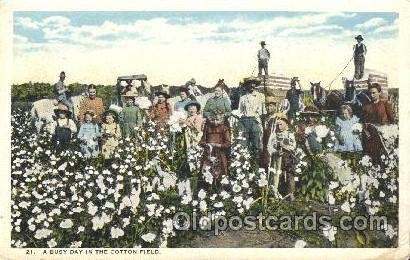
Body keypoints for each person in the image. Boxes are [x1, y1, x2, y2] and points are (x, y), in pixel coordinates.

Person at [362, 83, 394, 162]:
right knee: (372, 158)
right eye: (370, 93)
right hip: (370, 136)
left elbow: (392, 120)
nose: (372, 95)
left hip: (383, 135)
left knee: (384, 158)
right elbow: (363, 121)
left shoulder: (385, 104)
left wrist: (387, 132)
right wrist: (366, 132)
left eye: (374, 93)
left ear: (379, 92)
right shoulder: (366, 106)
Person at [267, 114, 297, 200]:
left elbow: (293, 146)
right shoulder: (274, 134)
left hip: (288, 157)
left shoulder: (289, 134)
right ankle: (275, 193)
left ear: (286, 125)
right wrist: (275, 152)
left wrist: (284, 146)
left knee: (290, 175)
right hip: (277, 158)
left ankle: (290, 193)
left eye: (281, 124)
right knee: (276, 174)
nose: (279, 126)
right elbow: (269, 146)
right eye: (277, 125)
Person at [199, 112, 231, 190]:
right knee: (207, 170)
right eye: (213, 120)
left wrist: (217, 145)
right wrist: (206, 144)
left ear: (222, 120)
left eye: (217, 120)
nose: (215, 122)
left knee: (220, 170)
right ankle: (208, 188)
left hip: (219, 153)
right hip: (208, 153)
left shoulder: (224, 128)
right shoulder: (208, 127)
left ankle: (220, 189)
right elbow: (202, 141)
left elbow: (228, 143)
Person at [238, 79, 265, 153]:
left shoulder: (261, 96)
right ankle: (246, 162)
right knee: (244, 142)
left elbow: (263, 112)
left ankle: (256, 161)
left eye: (253, 84)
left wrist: (262, 124)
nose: (251, 86)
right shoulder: (243, 98)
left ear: (255, 85)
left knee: (256, 143)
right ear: (247, 86)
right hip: (245, 121)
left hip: (255, 121)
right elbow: (240, 111)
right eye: (249, 84)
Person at [261, 96, 281, 168]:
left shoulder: (278, 118)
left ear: (275, 106)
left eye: (271, 106)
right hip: (264, 145)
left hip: (273, 145)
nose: (268, 108)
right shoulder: (263, 118)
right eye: (267, 106)